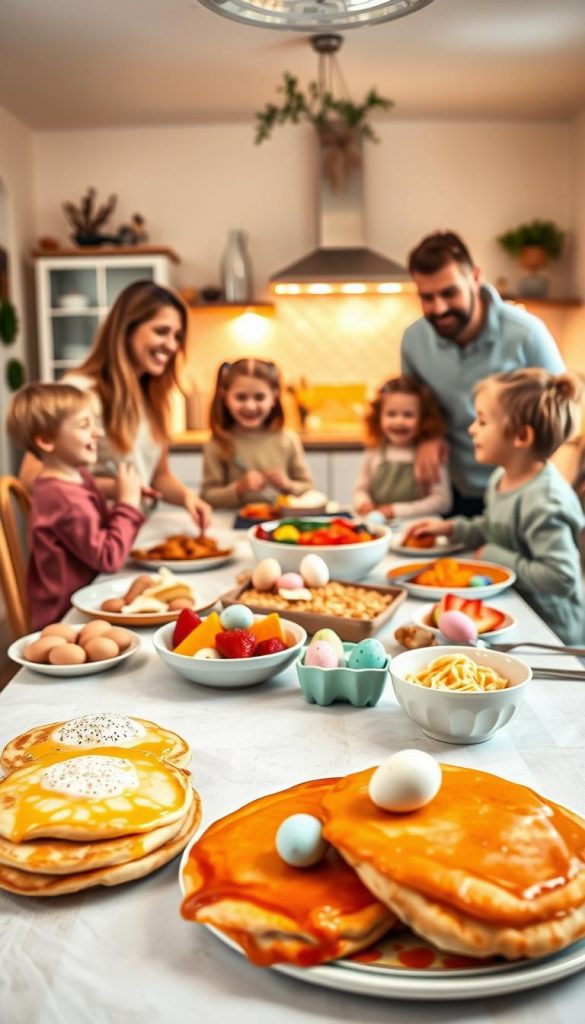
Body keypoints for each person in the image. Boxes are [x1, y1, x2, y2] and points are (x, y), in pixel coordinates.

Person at [404, 369, 585, 645]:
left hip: (552, 633)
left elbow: (562, 577)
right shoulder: (502, 477)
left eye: (483, 421)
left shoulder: (545, 500)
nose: (471, 429)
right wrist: (452, 528)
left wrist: (492, 555)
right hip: (518, 610)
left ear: (521, 436)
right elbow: (494, 527)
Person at [19, 280, 211, 531]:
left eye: (177, 336)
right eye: (161, 331)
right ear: (127, 329)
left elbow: (158, 476)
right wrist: (112, 489)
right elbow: (31, 478)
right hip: (91, 545)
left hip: (131, 534)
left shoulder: (151, 395)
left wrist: (188, 498)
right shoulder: (80, 391)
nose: (173, 345)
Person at [401, 231, 565, 515]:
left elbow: (564, 412)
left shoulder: (527, 333)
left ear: (475, 277)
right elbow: (415, 405)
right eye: (426, 297)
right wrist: (430, 434)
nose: (438, 308)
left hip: (520, 494)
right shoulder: (413, 340)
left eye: (449, 293)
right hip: (451, 491)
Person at [7, 383, 145, 630]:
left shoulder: (77, 478)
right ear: (47, 440)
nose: (98, 433)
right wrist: (127, 504)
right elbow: (108, 558)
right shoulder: (62, 498)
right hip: (65, 618)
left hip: (88, 600)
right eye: (85, 426)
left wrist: (119, 492)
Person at [201, 358, 313, 508]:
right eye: (241, 397)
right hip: (231, 526)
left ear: (274, 397)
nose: (250, 406)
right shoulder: (217, 443)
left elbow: (307, 487)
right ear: (224, 396)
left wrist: (289, 485)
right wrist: (238, 488)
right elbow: (208, 496)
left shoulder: (288, 440)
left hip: (281, 527)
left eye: (259, 397)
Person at [353, 375, 451, 520]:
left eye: (408, 415)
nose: (399, 421)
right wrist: (363, 502)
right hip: (378, 526)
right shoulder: (373, 451)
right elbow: (360, 490)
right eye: (391, 414)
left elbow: (442, 501)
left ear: (423, 419)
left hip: (419, 528)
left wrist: (394, 511)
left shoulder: (429, 456)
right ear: (378, 416)